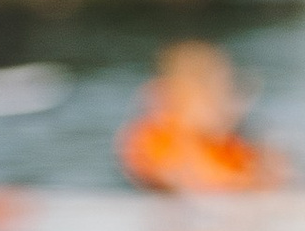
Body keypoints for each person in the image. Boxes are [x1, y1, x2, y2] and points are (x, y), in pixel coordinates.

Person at [118, 43, 290, 195]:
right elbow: (177, 177)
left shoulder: (234, 143)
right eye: (217, 89)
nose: (228, 101)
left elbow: (274, 178)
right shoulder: (155, 138)